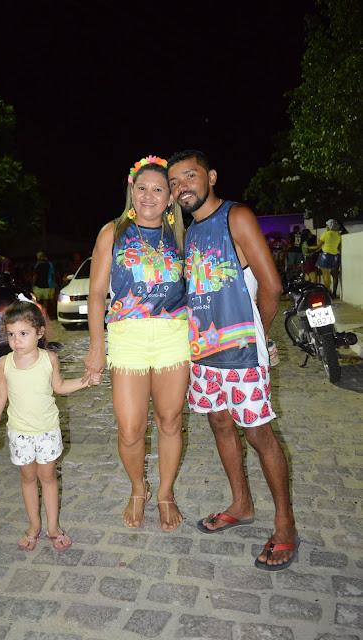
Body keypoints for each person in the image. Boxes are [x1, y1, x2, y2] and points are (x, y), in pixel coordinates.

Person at [167, 150, 299, 571]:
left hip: (241, 354)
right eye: (174, 182)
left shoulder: (235, 217)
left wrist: (258, 335)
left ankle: (285, 525)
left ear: (211, 176)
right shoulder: (189, 232)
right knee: (220, 425)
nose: (181, 187)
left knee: (259, 434)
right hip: (205, 354)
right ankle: (241, 504)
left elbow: (271, 286)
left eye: (189, 176)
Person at [82, 155, 190, 532]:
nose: (148, 196)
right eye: (142, 188)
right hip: (127, 337)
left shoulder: (182, 236)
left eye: (158, 189)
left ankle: (165, 493)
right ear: (132, 191)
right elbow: (97, 294)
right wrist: (97, 346)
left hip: (173, 336)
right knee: (130, 427)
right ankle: (137, 487)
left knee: (170, 420)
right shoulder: (112, 232)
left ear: (170, 198)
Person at [0, 300, 100, 551]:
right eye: (11, 334)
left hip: (47, 431)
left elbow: (59, 386)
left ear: (40, 332)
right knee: (28, 478)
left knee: (47, 477)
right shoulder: (4, 363)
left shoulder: (49, 359)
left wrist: (86, 381)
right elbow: (0, 396)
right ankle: (34, 524)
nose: (17, 341)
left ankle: (53, 526)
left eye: (23, 333)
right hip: (19, 434)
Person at [309, 219, 342, 297]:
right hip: (335, 256)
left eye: (326, 225)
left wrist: (308, 247)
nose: (326, 227)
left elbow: (318, 247)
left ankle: (327, 293)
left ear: (328, 226)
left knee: (326, 276)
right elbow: (338, 247)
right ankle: (334, 293)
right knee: (335, 276)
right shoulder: (338, 235)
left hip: (325, 256)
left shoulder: (325, 234)